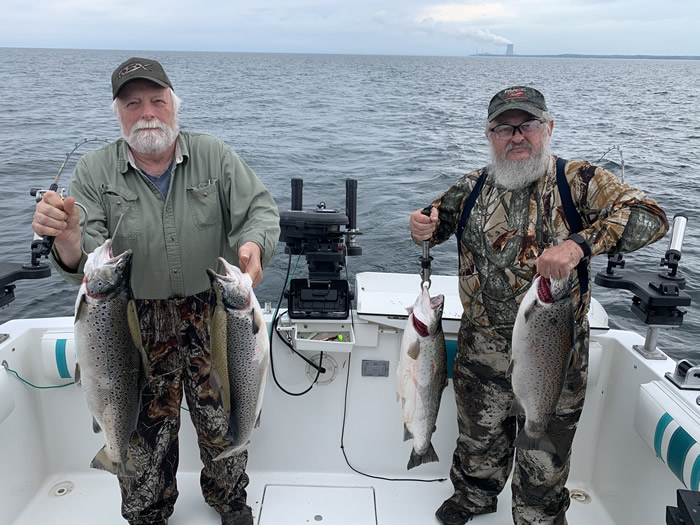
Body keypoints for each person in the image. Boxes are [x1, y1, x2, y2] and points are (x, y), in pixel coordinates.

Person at [31, 57, 281, 525]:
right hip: (129, 322)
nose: (147, 112)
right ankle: (147, 511)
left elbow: (261, 212)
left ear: (174, 105)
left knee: (222, 415)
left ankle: (229, 501)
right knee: (142, 432)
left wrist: (253, 246)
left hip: (215, 313)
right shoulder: (94, 171)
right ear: (118, 112)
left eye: (156, 100)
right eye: (133, 103)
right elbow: (84, 254)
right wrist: (64, 238)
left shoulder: (215, 155)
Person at [410, 86, 668, 525]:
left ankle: (538, 514)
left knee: (545, 445)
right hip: (482, 345)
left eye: (527, 125)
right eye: (503, 128)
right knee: (478, 437)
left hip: (555, 346)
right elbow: (432, 224)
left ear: (548, 127)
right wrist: (421, 225)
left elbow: (652, 216)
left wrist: (579, 244)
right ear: (489, 135)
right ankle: (474, 497)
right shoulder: (470, 187)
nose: (516, 137)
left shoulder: (579, 181)